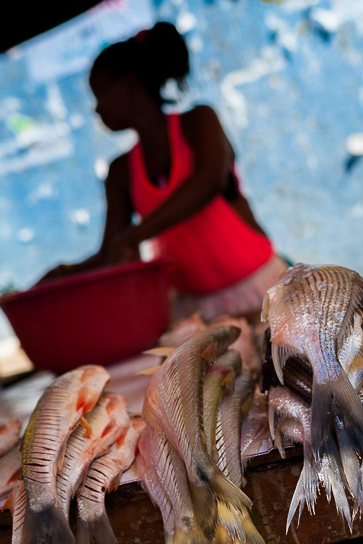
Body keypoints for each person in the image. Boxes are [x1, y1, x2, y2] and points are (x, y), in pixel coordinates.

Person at [41, 22, 285, 321]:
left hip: (259, 289)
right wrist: (66, 273)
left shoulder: (198, 122)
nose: (97, 109)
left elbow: (208, 182)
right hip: (194, 313)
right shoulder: (120, 172)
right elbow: (110, 253)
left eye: (100, 94)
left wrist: (134, 236)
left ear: (129, 86)